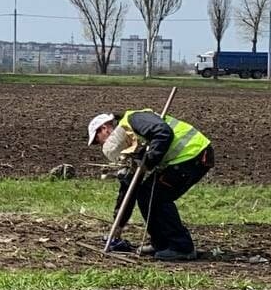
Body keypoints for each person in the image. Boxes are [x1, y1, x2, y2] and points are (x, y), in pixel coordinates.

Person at [87, 109, 214, 261]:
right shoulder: (131, 141)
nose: (99, 144)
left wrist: (149, 160)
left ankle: (182, 247)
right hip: (184, 158)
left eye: (97, 140)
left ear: (104, 128)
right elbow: (129, 189)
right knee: (145, 195)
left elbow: (163, 132)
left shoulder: (134, 119)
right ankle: (162, 244)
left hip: (193, 154)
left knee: (159, 196)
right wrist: (118, 225)